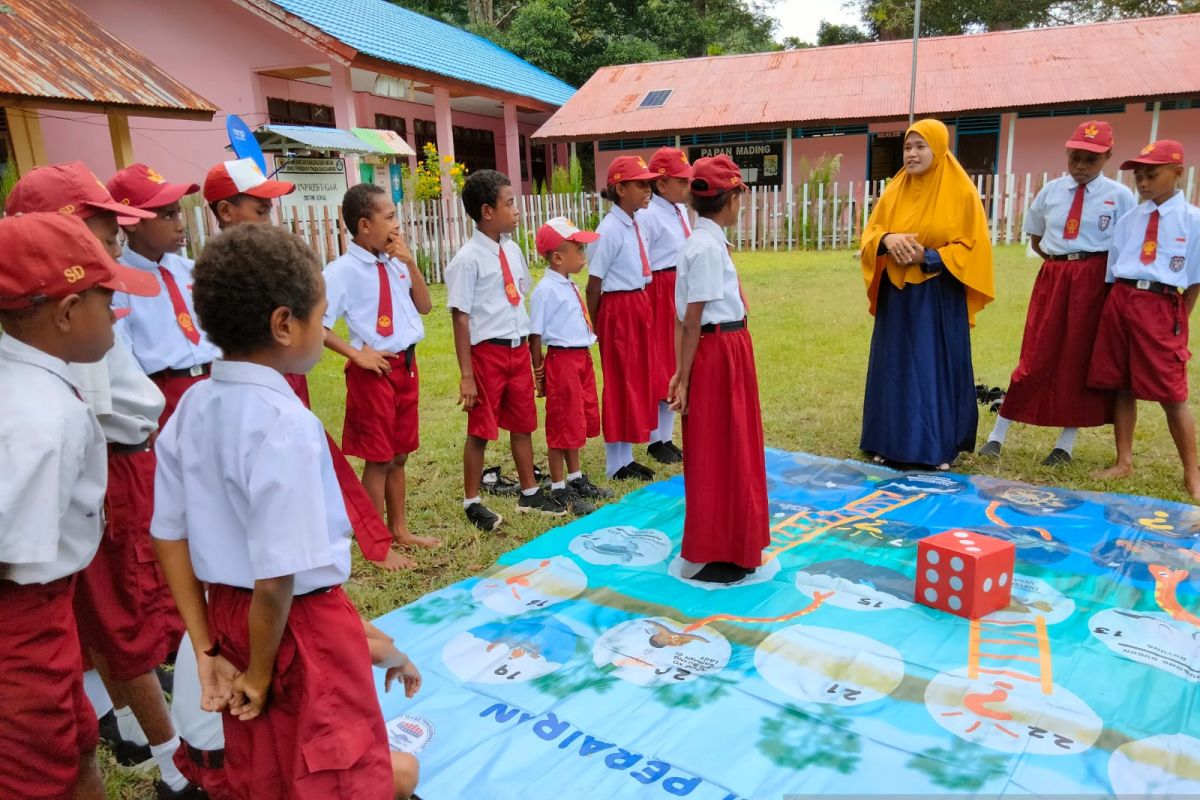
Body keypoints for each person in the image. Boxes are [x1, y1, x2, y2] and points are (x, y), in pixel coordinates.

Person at [151, 224, 398, 798]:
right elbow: (276, 576)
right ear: (285, 324)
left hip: (225, 617)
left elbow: (169, 536)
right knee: (337, 767)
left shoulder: (191, 407)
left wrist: (207, 645)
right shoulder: (286, 424)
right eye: (322, 315)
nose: (324, 329)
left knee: (264, 768)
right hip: (295, 628)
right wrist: (259, 672)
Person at [5, 163, 202, 796]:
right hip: (25, 618)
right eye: (104, 300)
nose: (118, 315)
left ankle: (113, 721)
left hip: (44, 602)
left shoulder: (40, 383)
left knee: (73, 743)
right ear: (66, 310)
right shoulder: (44, 416)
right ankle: (169, 757)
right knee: (48, 757)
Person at [201, 159, 405, 572]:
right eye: (260, 210)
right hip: (248, 388)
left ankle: (341, 541)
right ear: (226, 212)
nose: (269, 219)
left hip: (287, 379)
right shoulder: (217, 278)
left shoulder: (274, 263)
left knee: (304, 461)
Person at [981, 121, 1135, 464]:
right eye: (1075, 158)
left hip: (1095, 280)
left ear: (1108, 156)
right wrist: (1059, 266)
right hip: (1054, 274)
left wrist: (1096, 279)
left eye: (1090, 160)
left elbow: (1125, 245)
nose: (1080, 167)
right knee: (1036, 352)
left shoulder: (1120, 197)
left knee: (1078, 356)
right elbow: (1036, 236)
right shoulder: (1051, 191)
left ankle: (1065, 443)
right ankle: (998, 434)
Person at [859, 119, 996, 469]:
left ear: (938, 148)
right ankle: (886, 442)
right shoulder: (894, 190)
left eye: (921, 146)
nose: (912, 154)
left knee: (929, 367)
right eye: (908, 147)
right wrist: (887, 240)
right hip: (898, 295)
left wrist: (929, 256)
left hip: (937, 297)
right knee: (894, 367)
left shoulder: (961, 191)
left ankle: (935, 448)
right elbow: (872, 231)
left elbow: (973, 247)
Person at [323, 184, 439, 562]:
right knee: (379, 459)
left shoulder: (394, 262)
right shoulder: (341, 272)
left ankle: (399, 529)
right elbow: (319, 325)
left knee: (400, 455)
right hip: (375, 373)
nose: (396, 223)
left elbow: (424, 306)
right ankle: (377, 544)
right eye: (388, 217)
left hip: (406, 366)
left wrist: (409, 262)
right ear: (363, 224)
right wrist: (355, 355)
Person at [666, 155, 768, 584]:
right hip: (718, 350)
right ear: (729, 201)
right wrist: (684, 377)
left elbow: (683, 321)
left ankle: (735, 540)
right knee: (720, 447)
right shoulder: (705, 247)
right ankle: (720, 546)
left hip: (723, 346)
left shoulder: (705, 241)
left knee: (732, 442)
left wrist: (679, 370)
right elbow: (692, 319)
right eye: (739, 197)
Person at [447, 169, 566, 531]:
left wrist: (532, 358)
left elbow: (518, 302)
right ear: (487, 211)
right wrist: (467, 375)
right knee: (481, 429)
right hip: (488, 354)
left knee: (522, 423)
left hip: (516, 350)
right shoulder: (468, 260)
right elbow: (460, 318)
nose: (516, 210)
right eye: (509, 203)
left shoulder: (512, 250)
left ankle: (529, 492)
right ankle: (472, 501)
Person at [1087, 140, 1200, 499]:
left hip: (1162, 302)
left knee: (1172, 392)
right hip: (1121, 299)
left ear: (1177, 173)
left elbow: (1195, 281)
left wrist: (1178, 319)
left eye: (1152, 175)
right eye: (1139, 176)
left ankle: (1192, 472)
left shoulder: (1193, 222)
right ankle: (1123, 460)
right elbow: (1112, 268)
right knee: (1122, 383)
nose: (1144, 183)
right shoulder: (1130, 219)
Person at [108, 163, 217, 426]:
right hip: (165, 394)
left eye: (178, 213)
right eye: (168, 216)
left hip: (214, 382)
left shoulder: (192, 271)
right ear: (131, 222)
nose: (180, 225)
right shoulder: (117, 283)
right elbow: (124, 358)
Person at [529, 217, 613, 516]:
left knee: (576, 419)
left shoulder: (567, 284)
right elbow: (535, 334)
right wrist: (539, 372)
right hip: (562, 361)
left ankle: (576, 478)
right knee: (561, 425)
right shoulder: (545, 290)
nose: (583, 254)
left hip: (580, 359)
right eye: (578, 248)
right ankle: (558, 486)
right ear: (557, 257)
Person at [587, 155, 661, 480]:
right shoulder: (609, 231)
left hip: (638, 302)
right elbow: (594, 284)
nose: (648, 189)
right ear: (619, 188)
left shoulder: (635, 224)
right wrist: (596, 325)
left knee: (637, 378)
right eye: (640, 184)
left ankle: (627, 455)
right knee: (620, 382)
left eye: (649, 183)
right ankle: (615, 463)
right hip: (617, 308)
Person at [637, 147, 694, 465]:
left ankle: (666, 436)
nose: (687, 187)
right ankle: (655, 438)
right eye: (681, 181)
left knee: (676, 359)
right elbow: (641, 258)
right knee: (661, 361)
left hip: (680, 285)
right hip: (660, 290)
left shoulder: (679, 210)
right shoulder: (648, 215)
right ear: (661, 184)